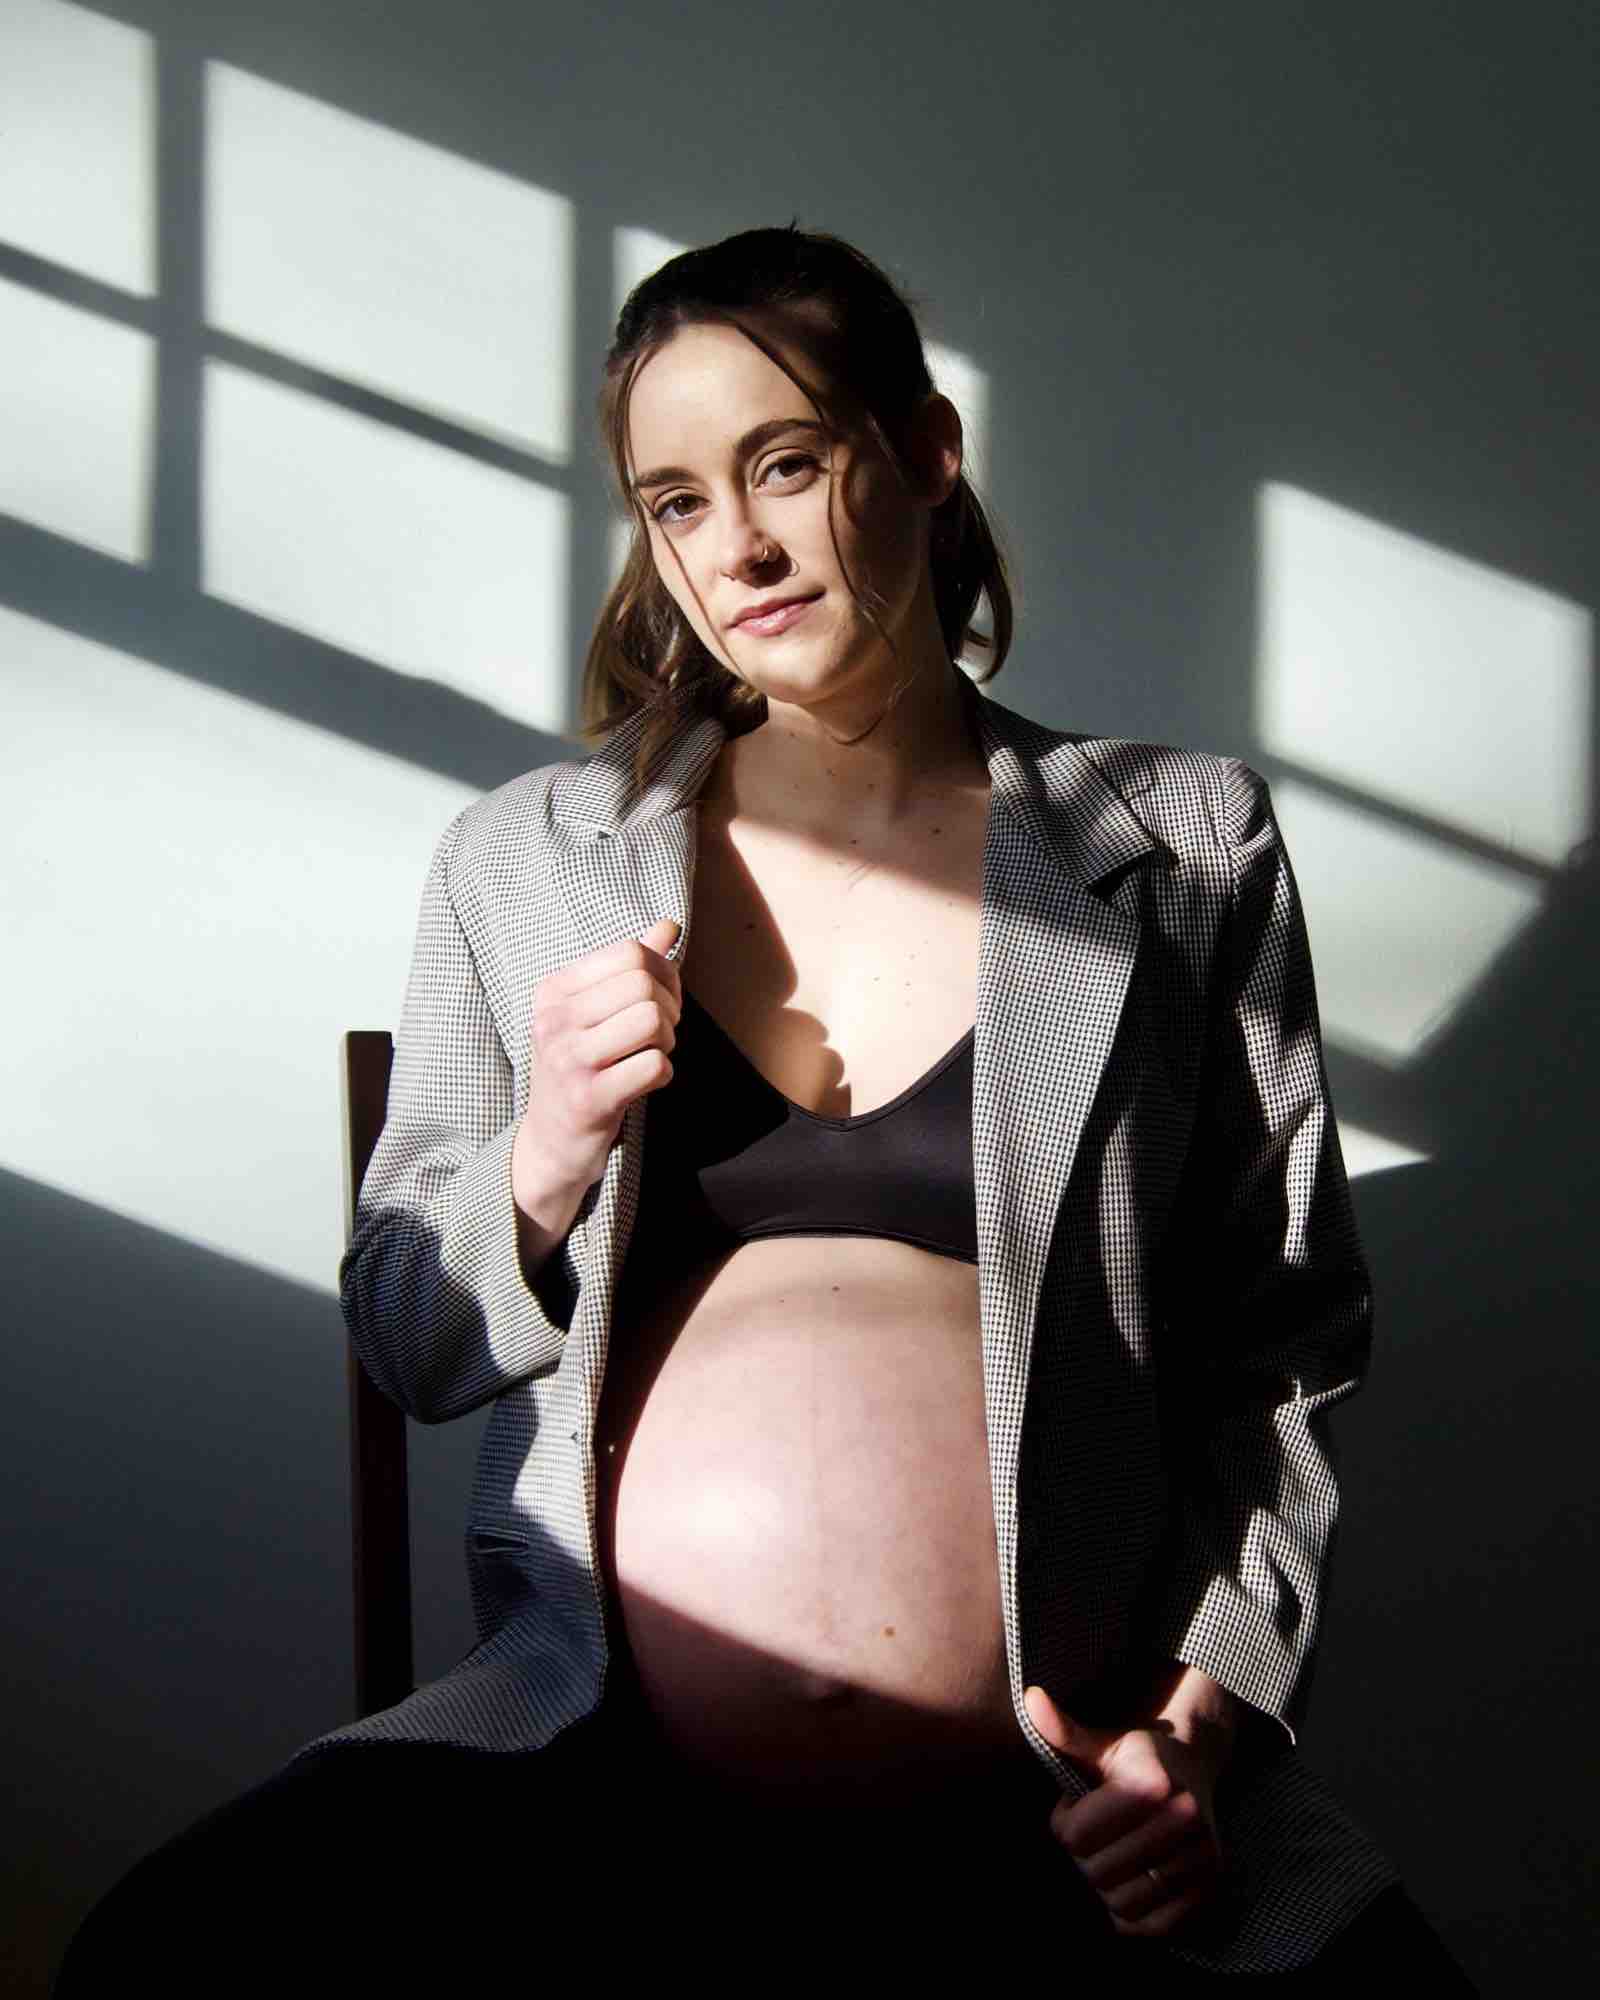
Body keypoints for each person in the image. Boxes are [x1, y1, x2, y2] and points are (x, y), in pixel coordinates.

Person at [52, 225, 1480, 1993]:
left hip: (1061, 1789)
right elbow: (408, 1341)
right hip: (597, 1769)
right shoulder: (527, 862)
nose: (733, 546)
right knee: (158, 1957)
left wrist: (1197, 1730)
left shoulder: (1179, 844)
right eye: (675, 501)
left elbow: (1283, 1346)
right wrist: (544, 1153)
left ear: (927, 453)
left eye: (785, 464)